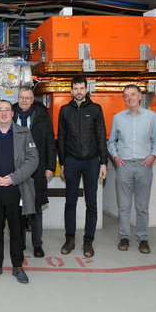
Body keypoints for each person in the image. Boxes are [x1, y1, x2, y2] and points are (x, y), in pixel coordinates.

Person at [0, 100, 38, 283]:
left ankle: (18, 266)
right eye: (0, 110)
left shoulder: (24, 133)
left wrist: (13, 178)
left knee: (17, 230)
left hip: (17, 188)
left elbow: (32, 160)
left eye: (7, 110)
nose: (3, 113)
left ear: (12, 114)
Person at [108, 84, 156, 253]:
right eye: (126, 95)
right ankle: (124, 237)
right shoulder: (118, 118)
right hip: (123, 166)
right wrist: (116, 157)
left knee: (142, 206)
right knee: (123, 206)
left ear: (140, 96)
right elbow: (111, 142)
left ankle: (143, 239)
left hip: (143, 166)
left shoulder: (151, 116)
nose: (129, 98)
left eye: (132, 94)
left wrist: (153, 156)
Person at [57, 75, 108, 258]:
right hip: (71, 161)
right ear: (71, 91)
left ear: (86, 89)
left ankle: (88, 241)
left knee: (91, 203)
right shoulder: (64, 110)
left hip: (92, 162)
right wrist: (62, 162)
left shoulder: (95, 109)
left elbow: (101, 136)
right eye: (75, 88)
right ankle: (70, 238)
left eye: (81, 88)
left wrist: (103, 162)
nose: (78, 91)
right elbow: (61, 138)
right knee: (70, 201)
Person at [12, 84, 56, 258]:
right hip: (15, 169)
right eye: (21, 97)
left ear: (32, 100)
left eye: (28, 98)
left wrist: (51, 166)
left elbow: (50, 142)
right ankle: (20, 242)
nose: (24, 101)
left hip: (38, 168)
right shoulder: (11, 114)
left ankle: (37, 245)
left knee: (36, 208)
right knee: (18, 208)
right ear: (18, 98)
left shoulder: (42, 115)